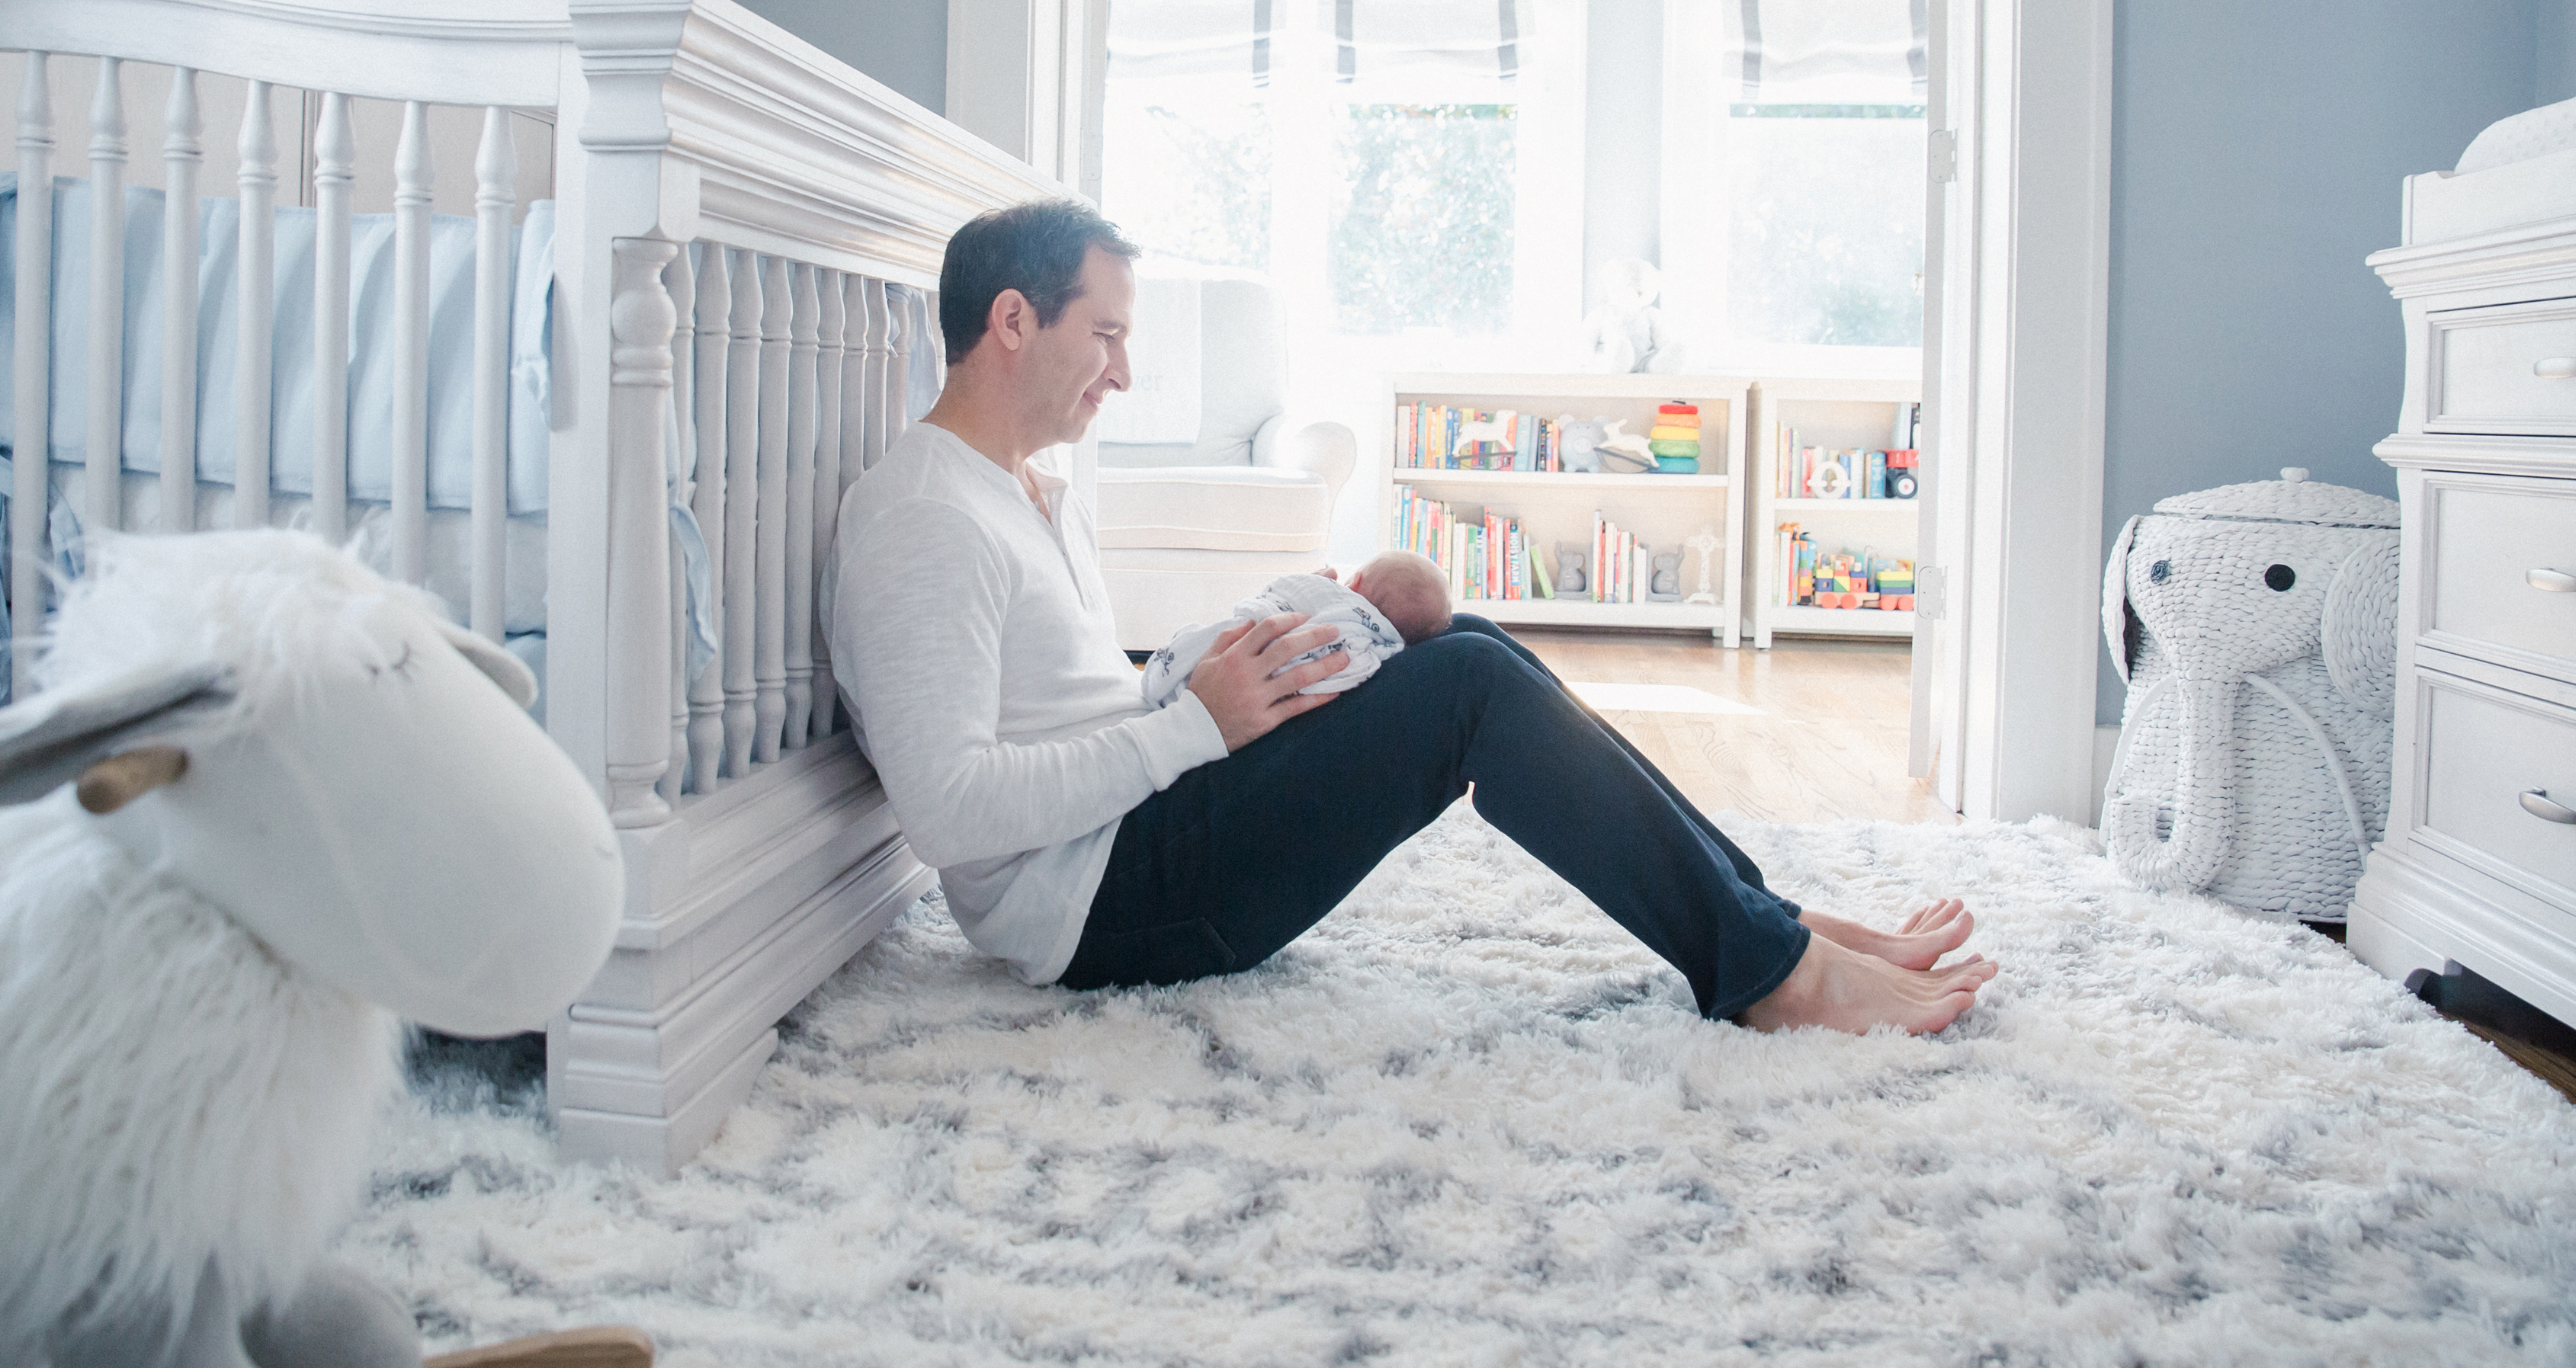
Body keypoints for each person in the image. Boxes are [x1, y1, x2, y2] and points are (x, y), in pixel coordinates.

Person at [823, 199, 1994, 1033]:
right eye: (1108, 335)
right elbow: (949, 813)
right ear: (1014, 321)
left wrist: (1262, 663)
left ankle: (1765, 920)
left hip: (1140, 823)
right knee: (1469, 696)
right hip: (1093, 911)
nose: (1123, 372)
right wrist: (1196, 728)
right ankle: (1774, 975)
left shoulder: (1034, 489)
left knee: (1452, 641)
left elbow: (1065, 708)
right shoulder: (924, 519)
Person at [1137, 553, 1451, 713]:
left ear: (1355, 583)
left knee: (1210, 638)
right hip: (1238, 692)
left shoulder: (1329, 592)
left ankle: (1171, 678)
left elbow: (1287, 590)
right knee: (1467, 636)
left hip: (1241, 648)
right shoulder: (1375, 649)